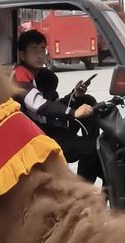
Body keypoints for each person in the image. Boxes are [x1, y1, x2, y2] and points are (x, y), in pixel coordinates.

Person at [10, 29, 102, 183]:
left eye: (43, 49)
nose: (40, 55)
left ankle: (89, 151)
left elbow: (54, 104)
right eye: (34, 50)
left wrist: (75, 96)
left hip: (50, 128)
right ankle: (82, 194)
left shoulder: (43, 77)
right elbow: (39, 105)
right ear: (22, 55)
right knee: (93, 148)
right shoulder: (20, 75)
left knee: (88, 101)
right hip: (36, 138)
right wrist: (73, 112)